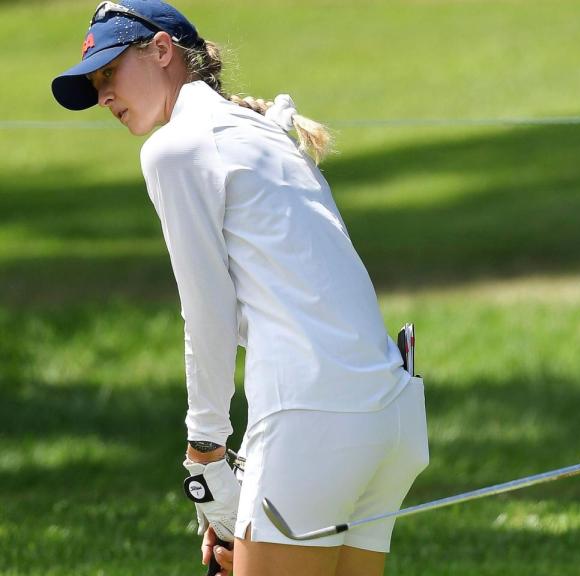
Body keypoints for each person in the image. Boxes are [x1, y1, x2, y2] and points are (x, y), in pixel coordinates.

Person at [52, 2, 429, 575]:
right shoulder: (261, 129)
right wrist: (245, 479)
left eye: (110, 72)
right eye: (95, 84)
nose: (103, 94)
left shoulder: (175, 147)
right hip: (389, 418)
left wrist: (204, 457)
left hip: (314, 420)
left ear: (161, 51)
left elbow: (207, 314)